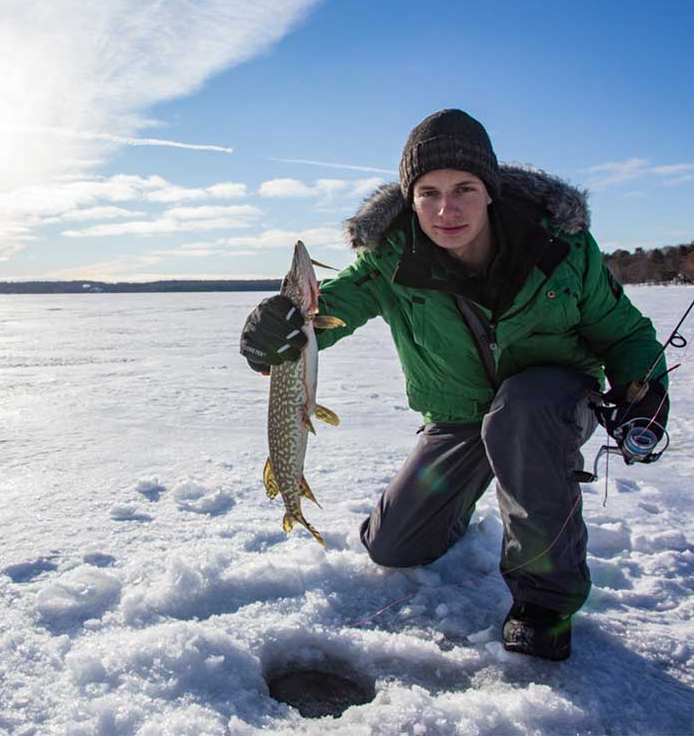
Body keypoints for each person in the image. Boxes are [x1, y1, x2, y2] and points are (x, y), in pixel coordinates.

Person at [239, 108, 669, 661]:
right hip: (460, 414)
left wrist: (646, 391)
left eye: (464, 188)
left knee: (520, 414)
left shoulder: (561, 249)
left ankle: (544, 604)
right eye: (428, 192)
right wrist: (271, 334)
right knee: (393, 547)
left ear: (489, 191)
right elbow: (327, 312)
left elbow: (625, 333)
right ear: (410, 199)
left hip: (550, 403)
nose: (447, 209)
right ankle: (464, 501)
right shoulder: (387, 260)